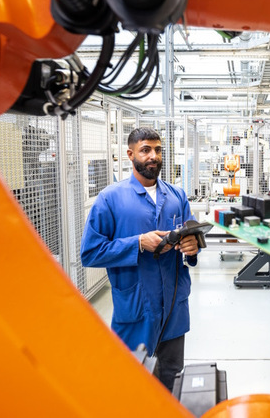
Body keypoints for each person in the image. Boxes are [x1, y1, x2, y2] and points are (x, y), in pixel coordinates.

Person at [80, 127, 199, 391]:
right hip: (136, 307)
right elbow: (90, 252)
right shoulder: (110, 199)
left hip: (173, 307)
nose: (153, 156)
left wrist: (192, 248)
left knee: (171, 374)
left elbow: (192, 244)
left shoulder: (177, 196)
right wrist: (137, 243)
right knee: (133, 379)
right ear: (130, 154)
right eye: (145, 150)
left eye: (157, 150)